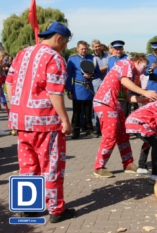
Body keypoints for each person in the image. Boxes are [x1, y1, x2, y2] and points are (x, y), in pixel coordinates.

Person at [5, 22, 75, 223]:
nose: (63, 47)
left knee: (27, 166)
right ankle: (56, 209)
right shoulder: (55, 58)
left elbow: (9, 83)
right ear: (59, 39)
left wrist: (17, 108)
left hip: (21, 121)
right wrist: (65, 120)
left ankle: (27, 209)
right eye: (65, 43)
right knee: (51, 166)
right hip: (45, 122)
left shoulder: (22, 53)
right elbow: (55, 92)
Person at [92, 54, 157, 178]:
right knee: (110, 135)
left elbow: (127, 96)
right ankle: (99, 167)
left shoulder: (128, 72)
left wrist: (144, 99)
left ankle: (128, 164)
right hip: (105, 103)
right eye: (144, 67)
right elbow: (124, 81)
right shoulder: (126, 64)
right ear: (138, 62)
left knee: (123, 133)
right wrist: (144, 92)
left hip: (113, 104)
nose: (144, 70)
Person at [66, 40, 101, 139]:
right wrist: (69, 90)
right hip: (77, 88)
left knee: (88, 111)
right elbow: (68, 76)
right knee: (76, 111)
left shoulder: (92, 58)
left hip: (88, 87)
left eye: (86, 48)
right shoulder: (72, 59)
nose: (84, 50)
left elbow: (98, 73)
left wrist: (91, 76)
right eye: (82, 49)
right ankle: (75, 130)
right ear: (77, 49)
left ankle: (89, 130)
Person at [91, 39, 109, 137]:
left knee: (107, 105)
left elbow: (112, 66)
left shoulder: (108, 56)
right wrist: (104, 68)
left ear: (101, 46)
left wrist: (101, 69)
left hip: (107, 83)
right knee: (97, 106)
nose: (97, 48)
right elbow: (93, 70)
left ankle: (105, 126)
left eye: (99, 46)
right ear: (92, 47)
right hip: (96, 84)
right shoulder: (91, 58)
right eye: (95, 47)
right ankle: (98, 126)